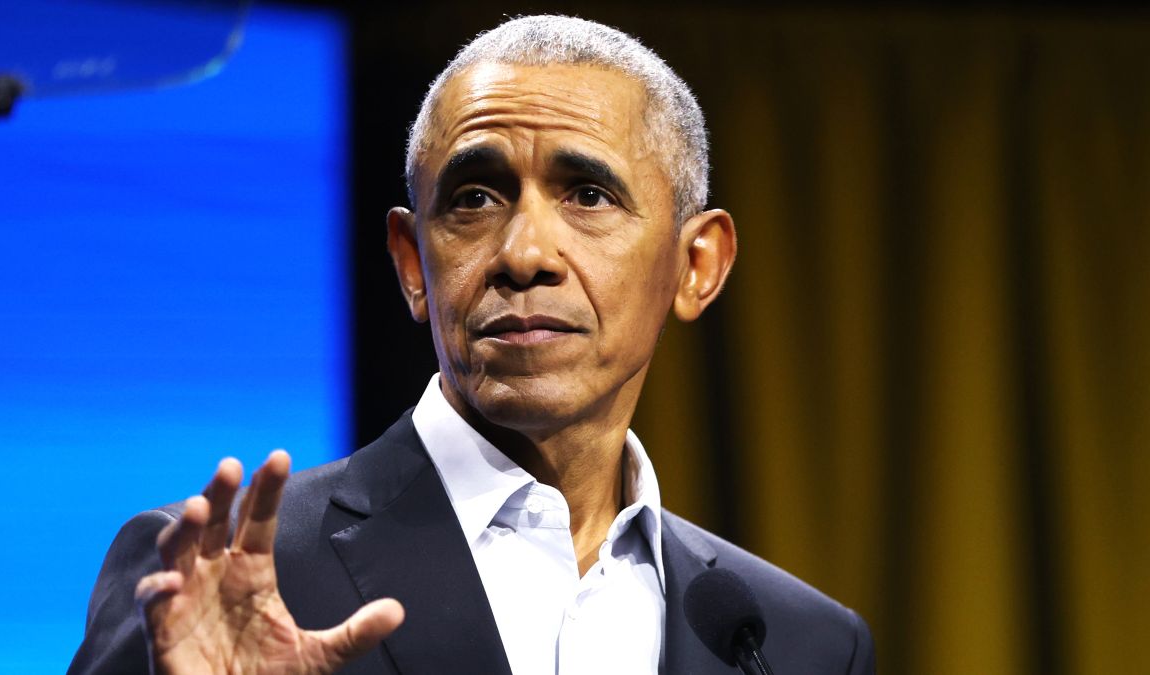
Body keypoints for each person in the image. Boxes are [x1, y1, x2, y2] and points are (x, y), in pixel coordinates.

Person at [69, 15, 875, 675]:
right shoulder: (213, 584)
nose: (524, 253)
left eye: (588, 195)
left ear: (696, 266)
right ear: (413, 264)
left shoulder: (794, 643)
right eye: (474, 197)